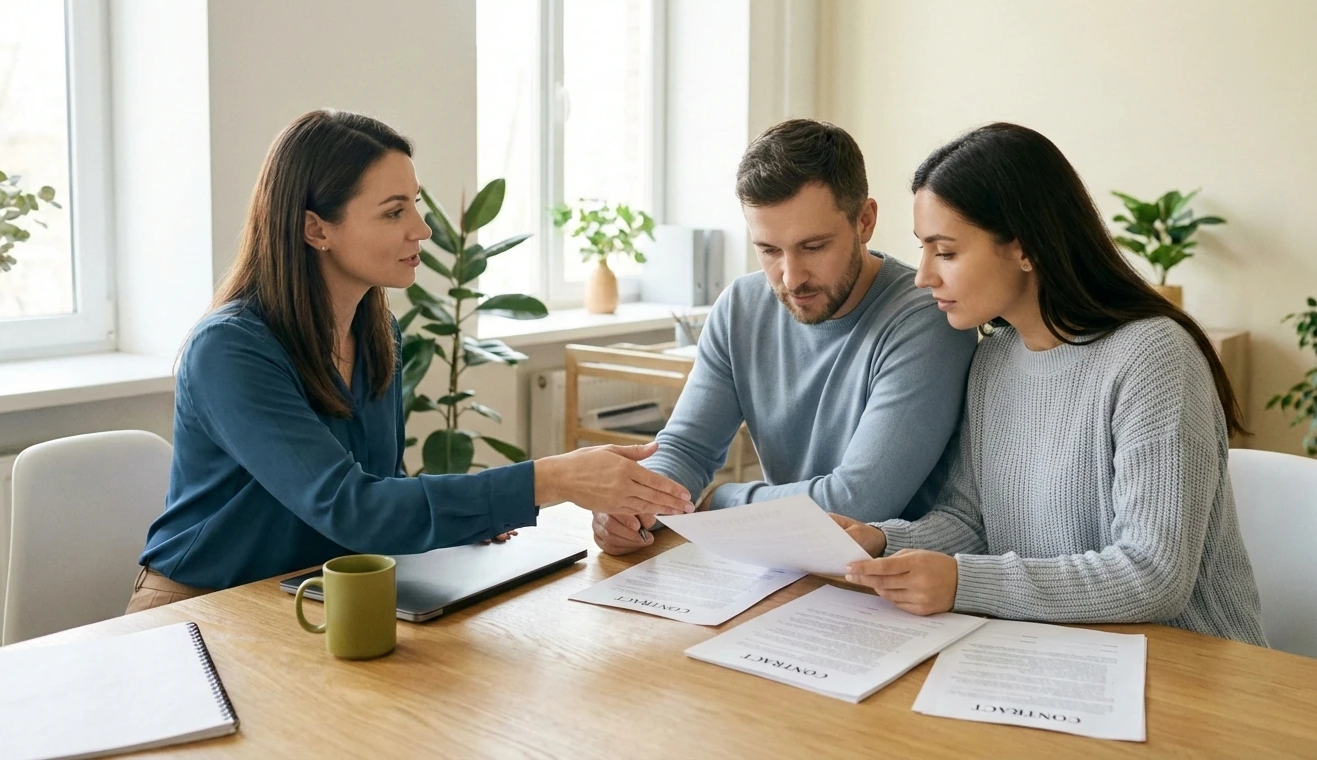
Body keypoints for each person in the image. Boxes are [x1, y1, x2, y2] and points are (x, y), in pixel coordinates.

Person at [129, 110, 692, 612]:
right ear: (314, 228)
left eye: (415, 205)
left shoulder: (377, 332)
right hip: (203, 607)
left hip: (313, 595)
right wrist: (554, 478)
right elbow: (351, 507)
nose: (421, 230)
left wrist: (471, 519)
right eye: (394, 211)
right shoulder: (231, 350)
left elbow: (381, 483)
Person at [834, 123, 1266, 645]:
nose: (924, 276)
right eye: (922, 250)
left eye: (945, 252)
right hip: (1053, 651)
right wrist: (881, 542)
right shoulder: (993, 359)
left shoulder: (1154, 357)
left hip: (1187, 669)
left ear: (1025, 248)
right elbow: (973, 520)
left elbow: (1154, 575)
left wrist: (963, 582)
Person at [593, 119, 976, 555]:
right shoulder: (740, 305)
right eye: (769, 250)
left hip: (895, 583)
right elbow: (686, 448)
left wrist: (722, 500)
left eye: (813, 247)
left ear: (865, 221)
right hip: (784, 563)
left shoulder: (926, 317)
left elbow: (858, 504)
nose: (791, 278)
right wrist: (633, 507)